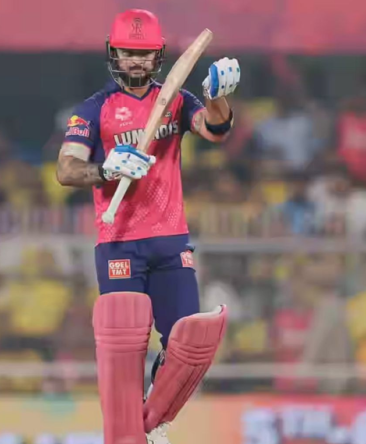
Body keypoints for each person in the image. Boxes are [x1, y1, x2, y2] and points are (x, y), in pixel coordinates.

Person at [55, 9, 239, 444]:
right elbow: (66, 169)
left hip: (170, 240)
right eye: (128, 52)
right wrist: (106, 169)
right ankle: (128, 433)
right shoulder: (95, 109)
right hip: (119, 243)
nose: (136, 61)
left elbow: (215, 130)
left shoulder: (178, 99)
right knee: (123, 353)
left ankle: (151, 424)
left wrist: (217, 97)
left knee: (188, 344)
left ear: (158, 55)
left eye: (144, 53)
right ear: (113, 53)